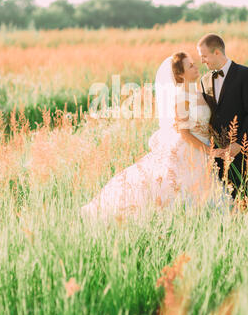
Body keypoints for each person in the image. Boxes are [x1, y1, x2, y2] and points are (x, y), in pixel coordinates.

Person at [80, 52, 229, 224]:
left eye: (194, 64)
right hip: (190, 148)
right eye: (190, 66)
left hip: (202, 148)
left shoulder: (201, 93)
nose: (196, 67)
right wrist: (210, 151)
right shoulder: (181, 97)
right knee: (176, 188)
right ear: (180, 74)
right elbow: (184, 132)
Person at [195, 34, 248, 200]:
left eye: (204, 56)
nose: (202, 61)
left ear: (217, 52)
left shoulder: (246, 74)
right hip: (215, 152)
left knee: (241, 199)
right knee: (219, 201)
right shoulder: (205, 80)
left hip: (241, 152)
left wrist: (239, 143)